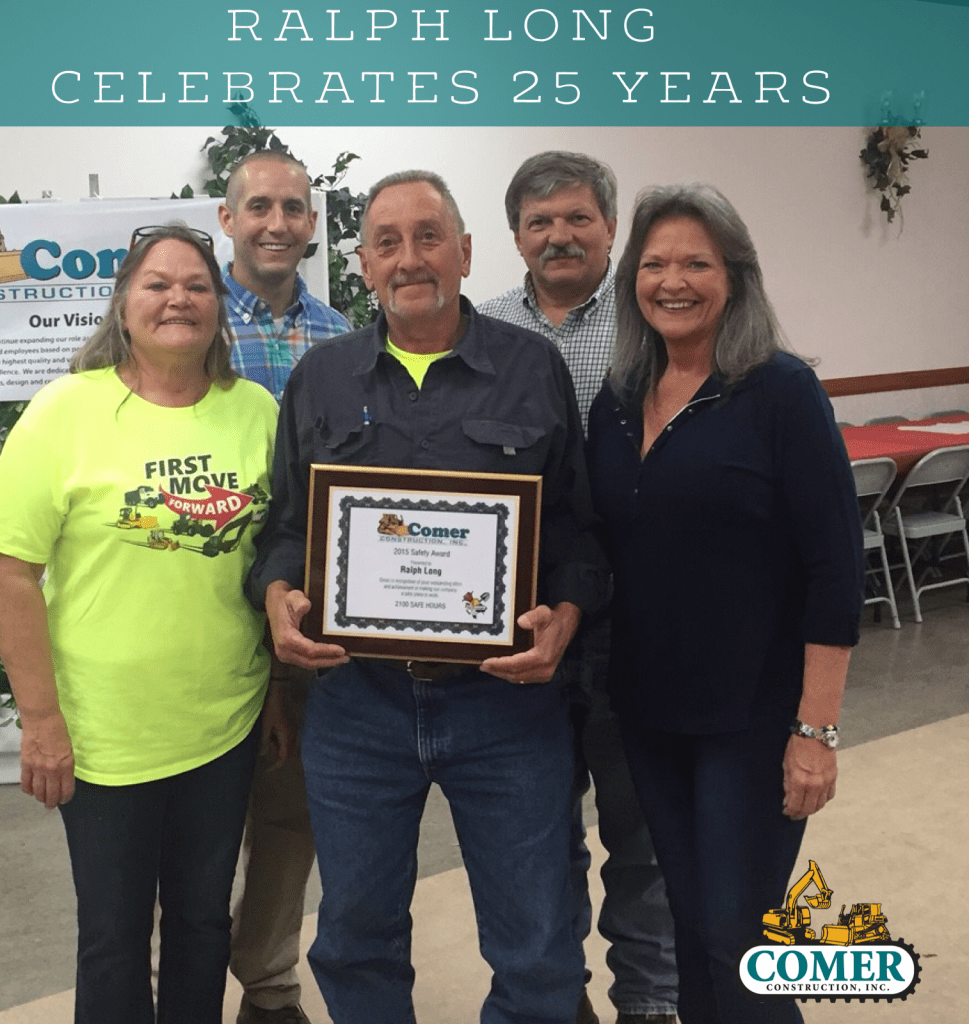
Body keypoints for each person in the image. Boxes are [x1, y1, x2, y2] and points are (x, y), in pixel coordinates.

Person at [246, 170, 610, 1024]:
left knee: (538, 942)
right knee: (354, 937)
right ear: (364, 265)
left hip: (506, 704)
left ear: (466, 252)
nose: (409, 259)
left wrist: (564, 616)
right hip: (356, 704)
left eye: (428, 237)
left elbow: (576, 532)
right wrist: (277, 596)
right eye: (388, 243)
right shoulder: (322, 378)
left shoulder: (532, 368)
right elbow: (284, 531)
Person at [0, 223, 281, 1024]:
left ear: (219, 306)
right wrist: (40, 721)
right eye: (157, 284)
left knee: (204, 922)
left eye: (197, 286)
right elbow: (11, 572)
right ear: (123, 303)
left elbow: (273, 563)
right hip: (104, 734)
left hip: (225, 721)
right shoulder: (66, 410)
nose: (179, 299)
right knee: (113, 934)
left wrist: (278, 691)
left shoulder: (256, 412)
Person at [586, 184, 864, 1023]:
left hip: (753, 715)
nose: (673, 281)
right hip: (650, 711)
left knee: (741, 940)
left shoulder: (781, 392)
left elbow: (835, 568)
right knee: (691, 925)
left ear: (735, 275)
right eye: (655, 264)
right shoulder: (618, 397)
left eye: (696, 264)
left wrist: (816, 733)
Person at [479, 151, 677, 1024]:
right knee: (534, 840)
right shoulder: (481, 330)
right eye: (539, 222)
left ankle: (651, 1000)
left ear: (610, 226)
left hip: (639, 626)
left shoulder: (653, 323)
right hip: (518, 633)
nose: (558, 235)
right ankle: (555, 999)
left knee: (642, 835)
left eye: (576, 218)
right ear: (515, 235)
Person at [218, 150, 350, 1024]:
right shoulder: (188, 328)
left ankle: (268, 986)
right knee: (191, 827)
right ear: (227, 219)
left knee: (289, 819)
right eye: (259, 206)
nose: (277, 223)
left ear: (312, 223)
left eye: (294, 208)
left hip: (303, 620)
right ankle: (177, 984)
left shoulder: (342, 339)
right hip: (201, 622)